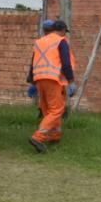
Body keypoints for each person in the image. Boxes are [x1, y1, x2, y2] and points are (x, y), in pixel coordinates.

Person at [27, 19, 74, 153]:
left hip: (39, 79)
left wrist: (32, 82)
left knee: (48, 110)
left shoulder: (40, 42)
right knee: (56, 110)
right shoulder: (61, 41)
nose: (65, 34)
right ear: (62, 30)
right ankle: (38, 137)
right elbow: (66, 63)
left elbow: (33, 63)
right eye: (65, 32)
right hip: (53, 79)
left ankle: (54, 136)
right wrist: (71, 81)